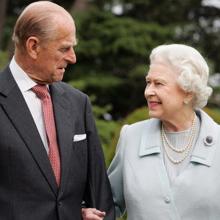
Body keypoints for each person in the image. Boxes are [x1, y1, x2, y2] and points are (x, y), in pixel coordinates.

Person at [0, 1, 115, 220]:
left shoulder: (78, 103)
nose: (73, 57)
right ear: (33, 46)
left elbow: (100, 197)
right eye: (64, 48)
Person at [83, 44, 220, 220]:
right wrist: (86, 212)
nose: (148, 92)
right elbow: (107, 206)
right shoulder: (131, 137)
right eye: (148, 82)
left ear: (188, 92)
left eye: (159, 84)